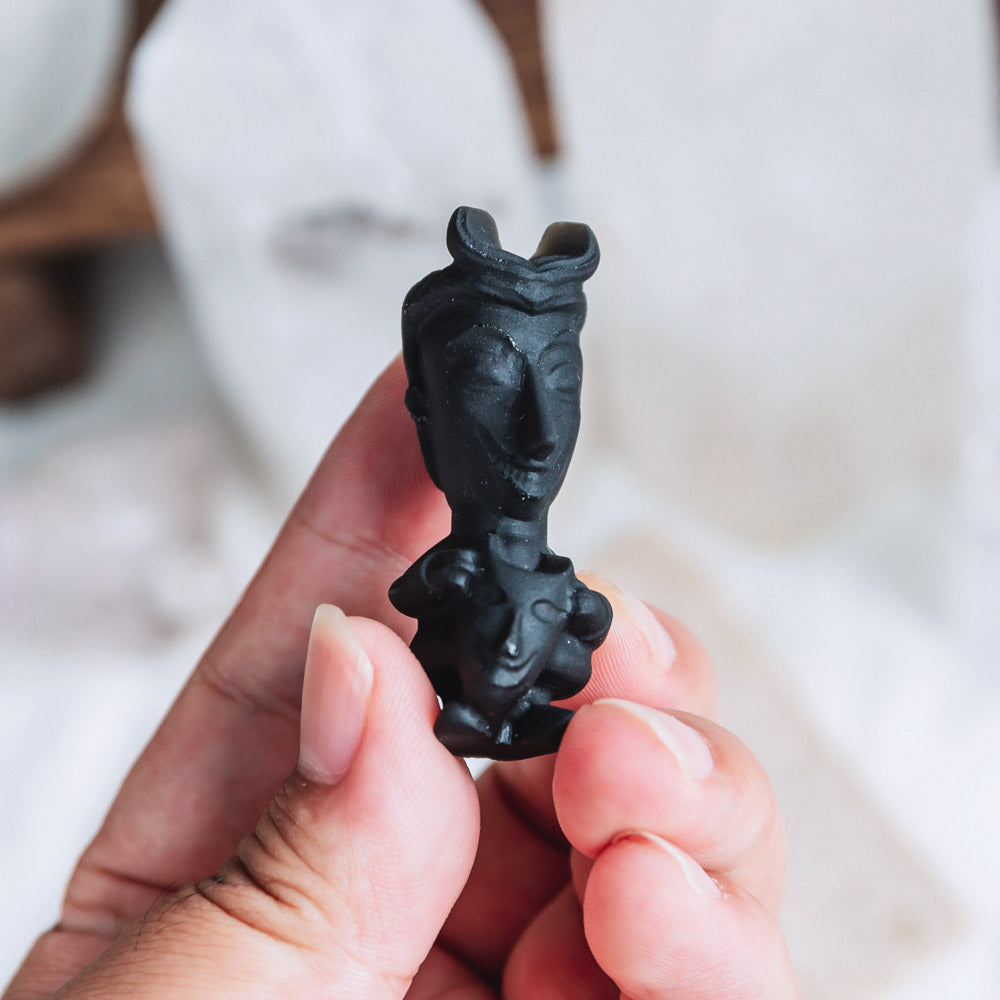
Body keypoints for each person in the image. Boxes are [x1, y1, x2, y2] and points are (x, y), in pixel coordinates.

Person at [3, 359, 799, 999]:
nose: (534, 428)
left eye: (556, 381)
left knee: (623, 769)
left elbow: (583, 626)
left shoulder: (550, 585)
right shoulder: (461, 570)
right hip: (462, 702)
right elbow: (413, 597)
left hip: (514, 707)